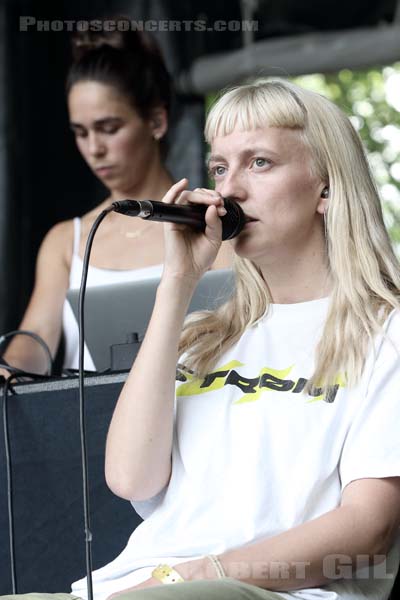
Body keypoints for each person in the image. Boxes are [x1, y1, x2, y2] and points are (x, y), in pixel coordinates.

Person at [3, 78, 400, 600]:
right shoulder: (205, 335)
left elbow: (367, 530)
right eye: (219, 167)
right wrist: (178, 284)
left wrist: (201, 574)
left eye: (260, 162)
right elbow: (130, 480)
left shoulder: (385, 331)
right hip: (138, 585)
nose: (229, 188)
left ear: (326, 188)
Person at [0, 25, 232, 376]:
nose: (94, 148)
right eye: (81, 133)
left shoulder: (211, 225)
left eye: (109, 128)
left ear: (156, 120)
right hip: (86, 424)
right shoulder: (67, 240)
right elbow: (33, 345)